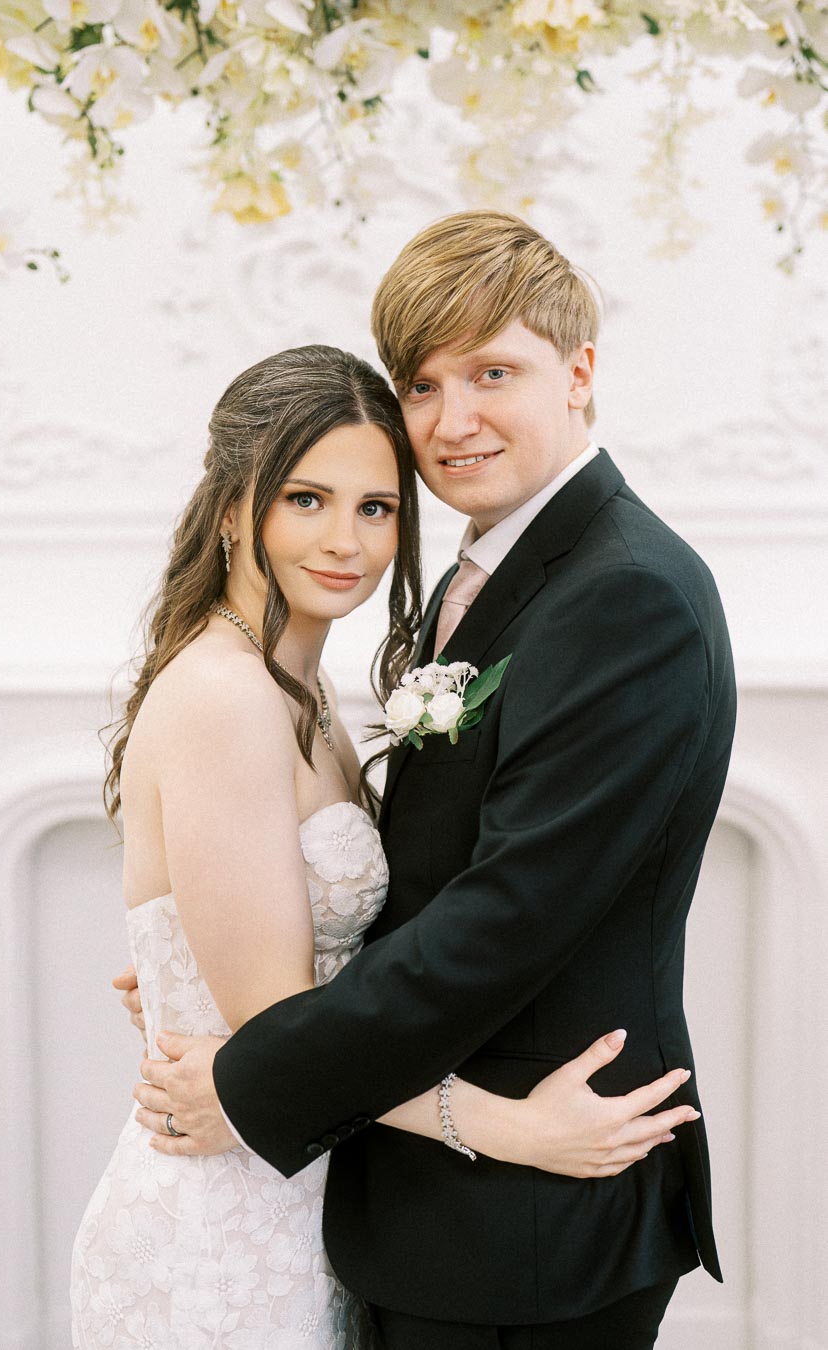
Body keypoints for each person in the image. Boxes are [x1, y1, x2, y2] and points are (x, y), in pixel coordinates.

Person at [74, 341, 694, 1349]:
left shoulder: (303, 688)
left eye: (376, 508)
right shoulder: (227, 695)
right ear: (231, 506)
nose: (346, 542)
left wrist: (193, 982)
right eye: (305, 500)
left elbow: (293, 977)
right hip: (222, 1229)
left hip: (316, 1190)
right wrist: (509, 1127)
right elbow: (275, 1021)